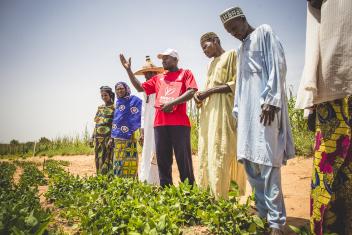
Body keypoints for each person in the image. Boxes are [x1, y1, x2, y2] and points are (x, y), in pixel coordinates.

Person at [220, 6, 295, 235]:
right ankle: (263, 215)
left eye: (235, 28)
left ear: (243, 19)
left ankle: (276, 223)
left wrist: (271, 100)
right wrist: (238, 110)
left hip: (265, 108)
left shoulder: (263, 32)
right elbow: (241, 83)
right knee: (251, 164)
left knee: (268, 162)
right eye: (229, 32)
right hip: (246, 113)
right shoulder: (241, 48)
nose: (234, 33)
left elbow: (277, 64)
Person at [296, 1, 352, 234]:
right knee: (328, 171)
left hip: (334, 86)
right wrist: (309, 101)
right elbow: (313, 30)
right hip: (334, 85)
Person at [119, 48, 198, 187]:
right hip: (160, 124)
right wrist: (128, 70)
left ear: (175, 59)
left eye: (166, 58)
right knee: (163, 160)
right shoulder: (158, 78)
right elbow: (139, 88)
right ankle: (166, 190)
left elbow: (192, 91)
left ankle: (189, 190)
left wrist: (172, 103)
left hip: (180, 124)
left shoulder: (186, 74)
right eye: (162, 58)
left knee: (183, 159)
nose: (163, 61)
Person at [195, 32, 246, 199]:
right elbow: (208, 86)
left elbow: (236, 82)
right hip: (210, 112)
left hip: (224, 109)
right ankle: (210, 194)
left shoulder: (231, 54)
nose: (204, 51)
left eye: (205, 46)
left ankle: (225, 196)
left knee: (223, 149)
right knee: (210, 149)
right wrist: (200, 96)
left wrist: (209, 92)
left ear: (215, 41)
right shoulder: (210, 64)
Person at [134, 56, 164, 185]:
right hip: (147, 126)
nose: (147, 75)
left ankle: (157, 181)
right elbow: (143, 114)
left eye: (150, 73)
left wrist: (128, 70)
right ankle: (146, 180)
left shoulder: (161, 86)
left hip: (158, 124)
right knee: (146, 152)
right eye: (145, 73)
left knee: (157, 152)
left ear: (156, 73)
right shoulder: (145, 90)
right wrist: (142, 131)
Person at [111, 82, 142, 177]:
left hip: (130, 137)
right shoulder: (117, 103)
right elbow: (116, 121)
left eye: (121, 88)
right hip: (117, 138)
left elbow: (140, 117)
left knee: (130, 160)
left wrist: (141, 133)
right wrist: (111, 137)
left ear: (126, 89)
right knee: (118, 160)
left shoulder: (134, 101)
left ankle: (132, 181)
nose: (119, 90)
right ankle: (119, 182)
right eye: (117, 89)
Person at [90, 86, 115, 174]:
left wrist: (112, 138)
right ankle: (100, 178)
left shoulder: (114, 107)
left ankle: (108, 179)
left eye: (105, 95)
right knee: (98, 158)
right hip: (98, 139)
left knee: (107, 158)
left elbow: (115, 125)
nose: (104, 97)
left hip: (107, 138)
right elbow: (96, 124)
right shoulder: (100, 108)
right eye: (102, 95)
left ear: (110, 95)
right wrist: (92, 137)